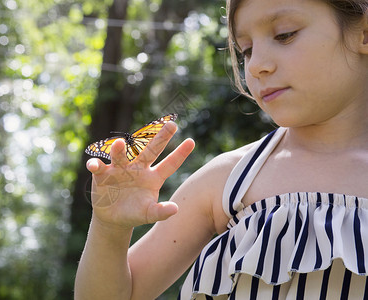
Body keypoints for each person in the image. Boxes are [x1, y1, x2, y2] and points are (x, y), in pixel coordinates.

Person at [74, 0, 368, 298]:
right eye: (246, 50)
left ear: (364, 33)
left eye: (284, 34)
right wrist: (110, 229)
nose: (255, 66)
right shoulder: (227, 181)